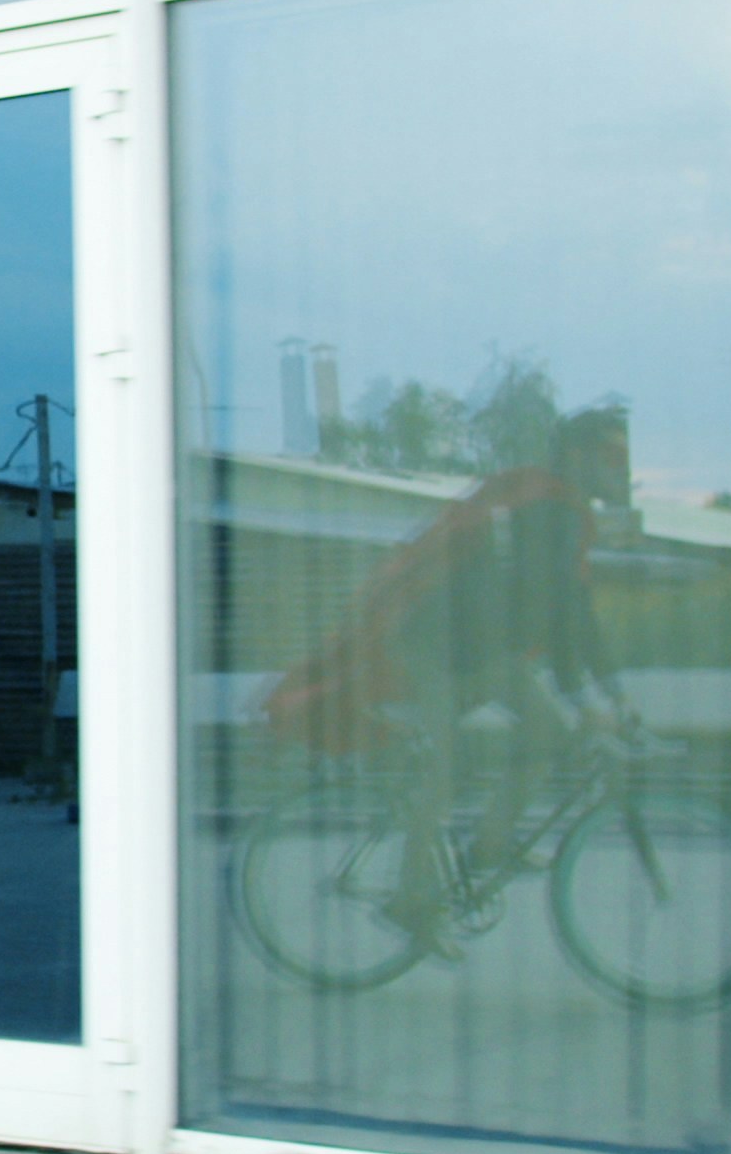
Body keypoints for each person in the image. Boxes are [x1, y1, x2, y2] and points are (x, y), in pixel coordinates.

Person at [266, 405, 638, 952]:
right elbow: (559, 606)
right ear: (579, 456)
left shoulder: (562, 509)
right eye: (612, 456)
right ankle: (409, 902)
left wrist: (614, 692)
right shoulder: (548, 507)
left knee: (548, 737)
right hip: (433, 647)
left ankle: (488, 846)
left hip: (484, 650)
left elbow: (576, 610)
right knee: (445, 770)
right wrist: (585, 695)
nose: (622, 469)